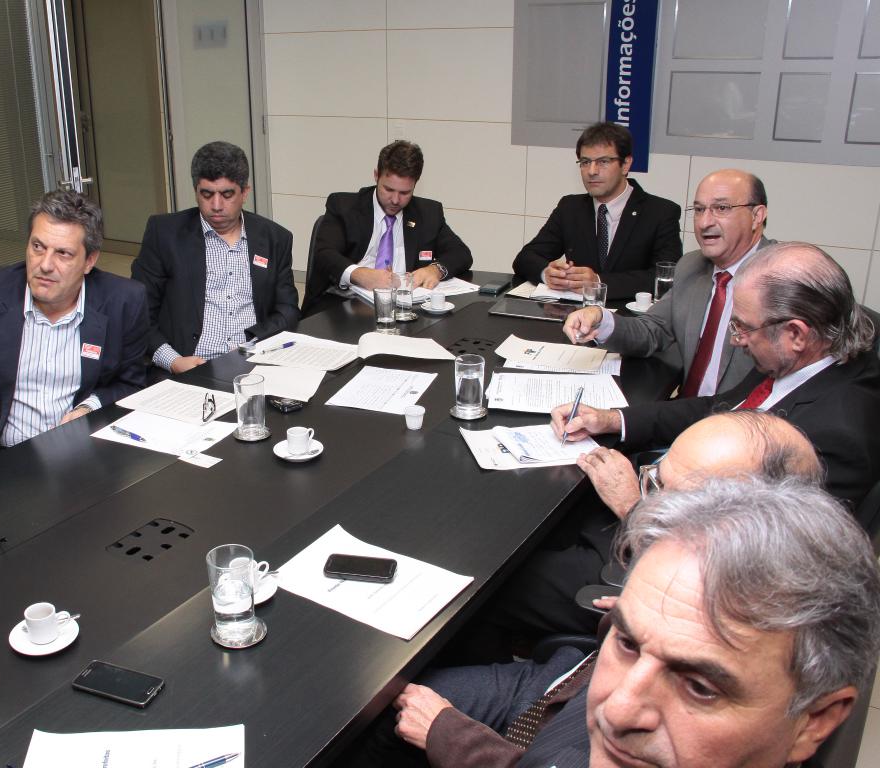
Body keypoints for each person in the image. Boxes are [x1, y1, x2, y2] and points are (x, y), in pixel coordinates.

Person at [349, 478, 880, 767]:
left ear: (815, 721)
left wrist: (451, 735)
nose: (615, 710)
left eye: (699, 686)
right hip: (551, 689)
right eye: (627, 643)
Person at [554, 241, 880, 508]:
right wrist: (612, 419)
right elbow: (716, 409)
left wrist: (631, 505)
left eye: (743, 328)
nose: (736, 341)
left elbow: (758, 556)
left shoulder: (836, 438)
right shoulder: (795, 360)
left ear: (796, 334)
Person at [485, 411, 822, 641]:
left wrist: (633, 507)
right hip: (647, 546)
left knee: (495, 580)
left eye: (662, 490)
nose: (738, 340)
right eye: (655, 478)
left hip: (634, 570)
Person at [0, 189, 148, 457]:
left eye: (63, 253)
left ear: (89, 261)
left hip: (79, 453)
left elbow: (130, 383)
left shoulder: (123, 301)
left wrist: (88, 408)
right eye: (38, 247)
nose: (45, 265)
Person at [564, 168, 771, 396]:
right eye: (699, 210)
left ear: (757, 215)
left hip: (746, 415)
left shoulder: (784, 277)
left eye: (721, 208)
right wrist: (599, 318)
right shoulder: (691, 266)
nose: (704, 222)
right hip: (683, 410)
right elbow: (651, 330)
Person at [131, 141, 299, 374]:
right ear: (196, 192)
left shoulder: (274, 238)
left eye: (227, 194)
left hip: (252, 359)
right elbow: (138, 312)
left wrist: (254, 341)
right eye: (207, 194)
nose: (216, 205)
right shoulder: (165, 234)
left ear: (245, 192)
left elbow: (287, 310)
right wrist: (173, 360)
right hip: (187, 363)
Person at [512, 122, 682, 301]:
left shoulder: (661, 212)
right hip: (574, 314)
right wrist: (547, 273)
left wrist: (598, 282)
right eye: (585, 162)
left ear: (625, 164)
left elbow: (667, 276)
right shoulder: (570, 208)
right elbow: (525, 258)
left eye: (603, 161)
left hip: (630, 315)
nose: (592, 171)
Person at [302, 140, 472, 316]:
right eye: (388, 189)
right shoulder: (344, 206)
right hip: (344, 308)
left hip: (403, 311)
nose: (395, 200)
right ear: (376, 175)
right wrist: (360, 274)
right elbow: (324, 254)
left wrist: (435, 270)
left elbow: (461, 253)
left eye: (405, 193)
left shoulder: (428, 214)